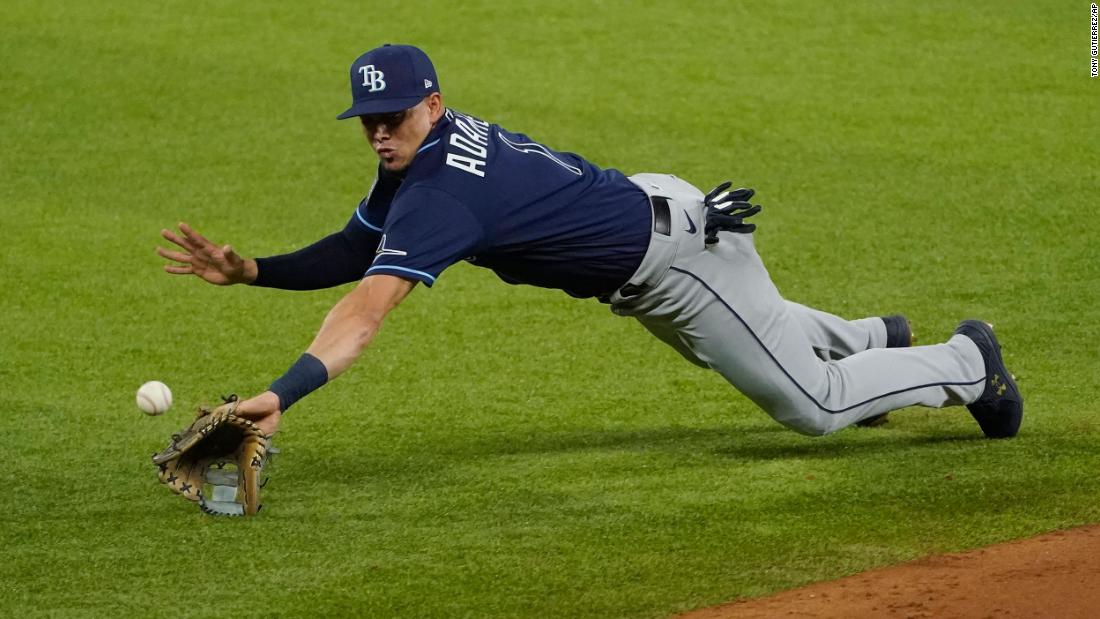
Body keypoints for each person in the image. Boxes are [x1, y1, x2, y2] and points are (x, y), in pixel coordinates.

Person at [157, 44, 1022, 441]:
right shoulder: (423, 156)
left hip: (679, 258)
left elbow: (367, 308)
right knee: (748, 344)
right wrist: (256, 272)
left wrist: (285, 391)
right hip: (649, 222)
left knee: (818, 406)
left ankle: (967, 362)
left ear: (432, 103)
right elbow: (358, 248)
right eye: (367, 122)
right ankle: (876, 338)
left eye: (393, 119)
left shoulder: (443, 190)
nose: (379, 135)